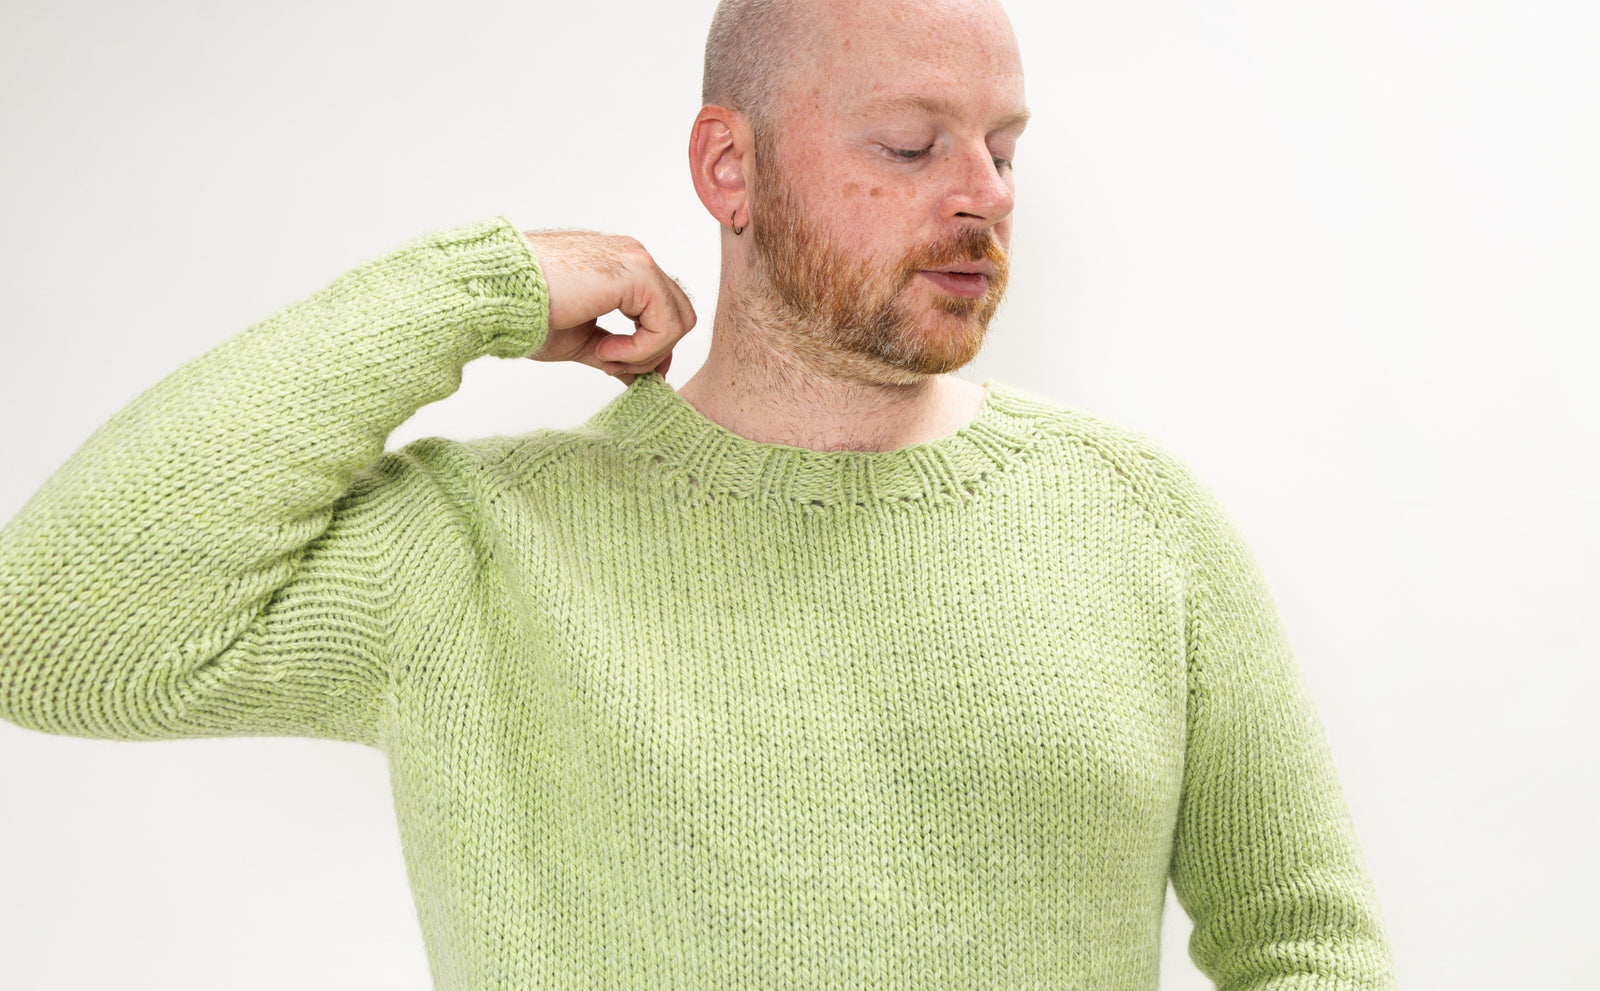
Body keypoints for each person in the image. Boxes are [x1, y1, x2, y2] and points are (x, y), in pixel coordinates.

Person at [0, 0, 1396, 987]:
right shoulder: (484, 552)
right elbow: (53, 631)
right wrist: (466, 290)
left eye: (1005, 148)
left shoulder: (1136, 525)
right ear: (730, 168)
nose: (982, 194)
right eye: (911, 146)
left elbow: (1304, 938)